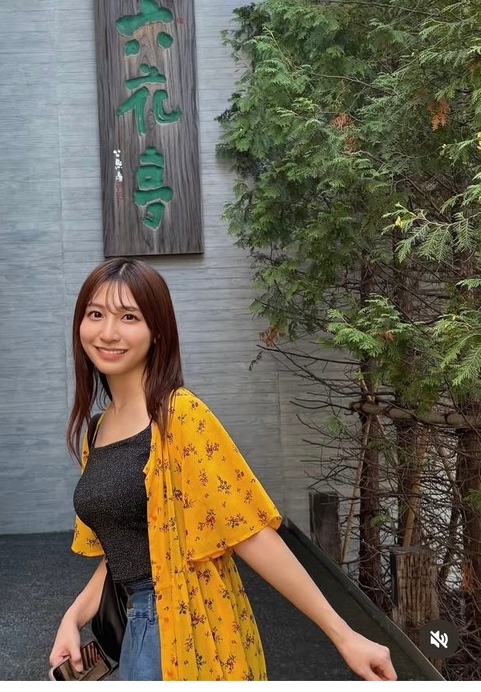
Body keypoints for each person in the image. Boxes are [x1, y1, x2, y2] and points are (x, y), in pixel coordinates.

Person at [49, 257, 397, 681]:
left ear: (157, 331)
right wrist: (73, 616)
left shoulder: (179, 416)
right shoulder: (97, 429)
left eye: (129, 317)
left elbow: (250, 532)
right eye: (95, 314)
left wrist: (344, 635)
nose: (108, 332)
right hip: (136, 628)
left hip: (185, 627)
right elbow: (127, 551)